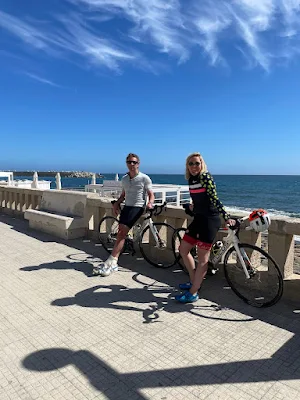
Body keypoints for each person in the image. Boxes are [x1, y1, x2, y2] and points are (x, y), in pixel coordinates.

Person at [175, 152, 236, 303]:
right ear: (187, 167)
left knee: (203, 259)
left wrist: (226, 216)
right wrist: (191, 207)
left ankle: (193, 292)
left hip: (210, 220)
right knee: (183, 249)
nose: (194, 166)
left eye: (197, 163)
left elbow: (214, 198)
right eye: (191, 164)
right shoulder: (191, 180)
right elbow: (200, 200)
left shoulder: (205, 177)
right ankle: (194, 281)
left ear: (202, 164)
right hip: (199, 218)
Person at [95, 153, 155, 277]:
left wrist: (150, 203)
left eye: (134, 162)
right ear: (126, 163)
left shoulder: (144, 178)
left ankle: (112, 261)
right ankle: (114, 261)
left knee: (122, 233)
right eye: (129, 162)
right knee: (121, 234)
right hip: (127, 207)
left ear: (138, 164)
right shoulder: (124, 179)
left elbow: (151, 194)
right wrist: (116, 204)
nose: (131, 164)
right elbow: (123, 195)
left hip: (138, 207)